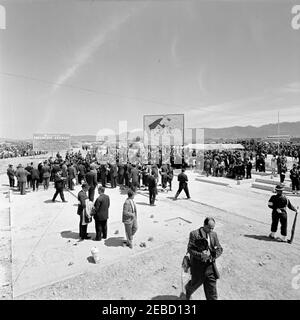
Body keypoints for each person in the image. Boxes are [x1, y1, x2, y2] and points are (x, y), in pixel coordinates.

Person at [185, 217, 223, 300]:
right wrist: (201, 255)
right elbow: (190, 249)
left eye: (213, 228)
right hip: (198, 267)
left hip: (210, 267)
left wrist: (213, 256)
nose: (211, 230)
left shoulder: (214, 234)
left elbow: (219, 248)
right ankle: (188, 290)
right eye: (209, 228)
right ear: (204, 225)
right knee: (194, 285)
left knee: (212, 293)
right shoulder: (194, 234)